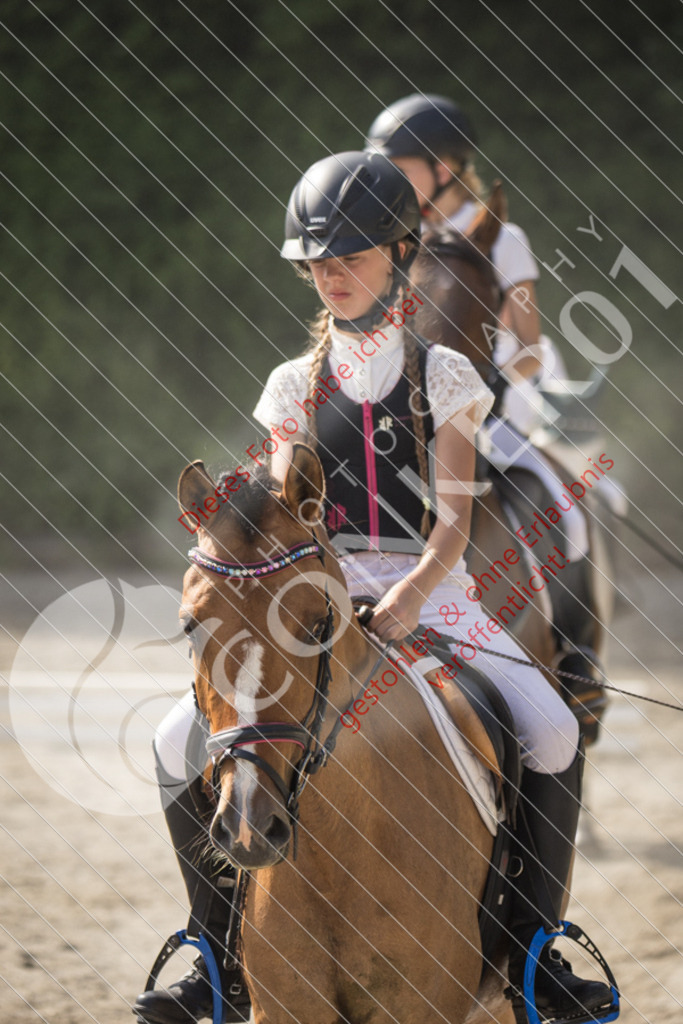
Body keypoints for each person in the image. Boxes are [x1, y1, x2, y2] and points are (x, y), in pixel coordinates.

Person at [133, 150, 613, 1024]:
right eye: (318, 261)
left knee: (548, 729)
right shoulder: (291, 384)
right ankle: (212, 956)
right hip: (309, 594)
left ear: (399, 253)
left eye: (349, 256)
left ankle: (538, 951)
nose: (332, 274)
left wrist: (410, 599)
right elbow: (290, 517)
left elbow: (456, 526)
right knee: (177, 742)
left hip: (428, 588)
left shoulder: (442, 376)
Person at [365, 95, 608, 739]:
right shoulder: (396, 235)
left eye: (401, 164)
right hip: (411, 401)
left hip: (495, 402)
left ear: (445, 165)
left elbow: (528, 343)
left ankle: (577, 656)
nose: (387, 175)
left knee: (558, 503)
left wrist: (491, 382)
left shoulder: (505, 238)